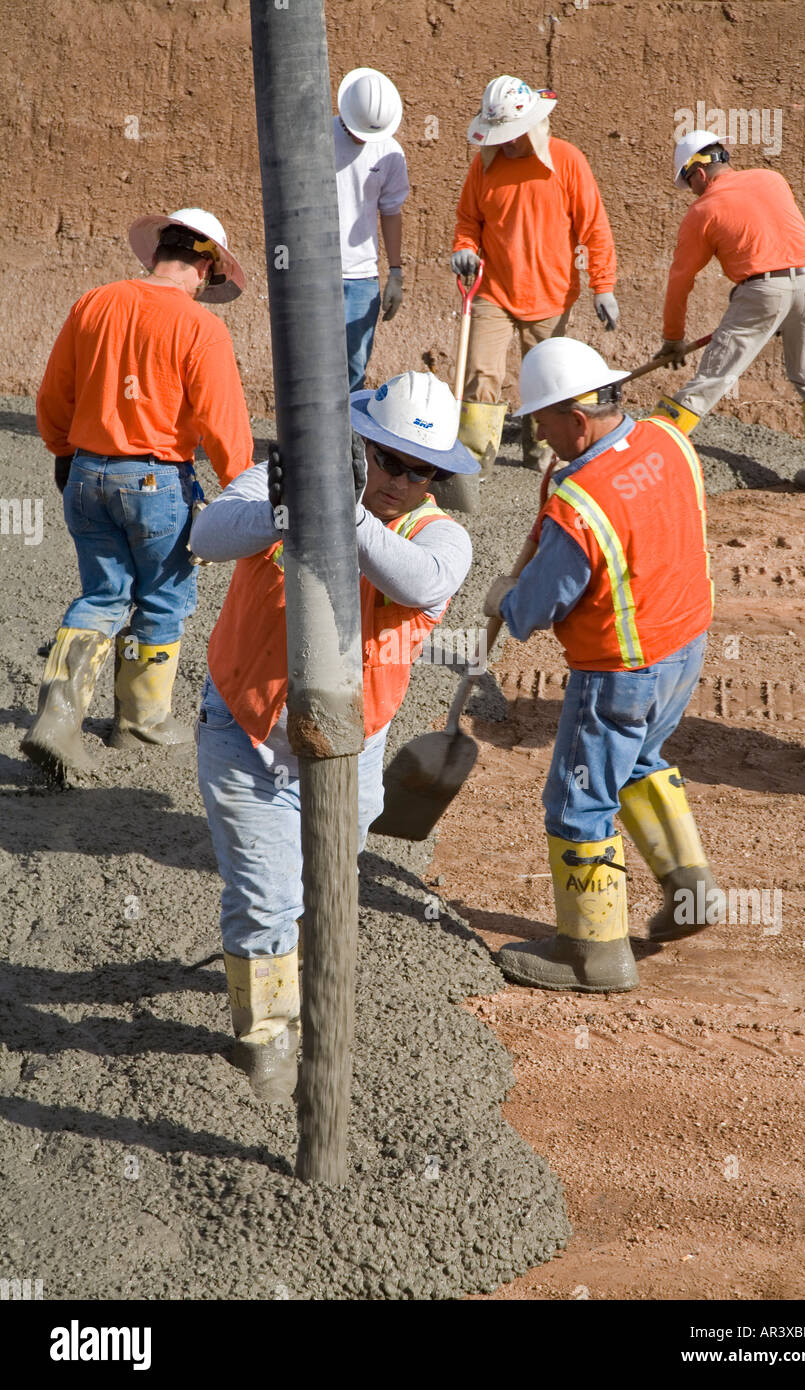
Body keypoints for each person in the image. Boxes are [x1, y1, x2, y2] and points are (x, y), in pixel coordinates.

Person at [191, 371, 476, 1103]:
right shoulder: (276, 482)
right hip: (246, 730)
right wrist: (290, 510)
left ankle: (294, 979)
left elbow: (419, 581)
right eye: (386, 459)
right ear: (360, 444)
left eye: (422, 471)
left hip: (351, 746)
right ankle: (268, 1039)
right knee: (266, 897)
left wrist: (343, 516)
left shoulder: (439, 536)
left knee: (325, 886)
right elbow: (208, 533)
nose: (401, 480)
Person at [483, 338, 717, 994]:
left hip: (619, 669)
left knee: (578, 802)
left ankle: (594, 955)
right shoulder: (670, 440)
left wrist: (503, 595)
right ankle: (691, 890)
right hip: (684, 646)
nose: (538, 432)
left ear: (578, 421)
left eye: (543, 421)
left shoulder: (582, 504)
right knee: (642, 760)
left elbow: (535, 608)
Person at [24, 207, 254, 782]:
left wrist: (63, 451)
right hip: (156, 481)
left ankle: (59, 717)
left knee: (102, 595)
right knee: (163, 599)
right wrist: (242, 492)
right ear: (204, 266)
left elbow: (55, 396)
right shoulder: (201, 327)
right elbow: (224, 425)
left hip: (86, 473)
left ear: (157, 254)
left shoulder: (94, 302)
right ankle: (141, 720)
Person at [654, 130, 805, 497]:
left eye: (689, 182)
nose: (692, 191)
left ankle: (642, 460)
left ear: (700, 172)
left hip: (762, 291)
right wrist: (781, 308)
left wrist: (673, 338)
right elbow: (772, 233)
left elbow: (680, 281)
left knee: (714, 378)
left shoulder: (702, 211)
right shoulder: (772, 179)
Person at [451, 75, 618, 472]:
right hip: (492, 290)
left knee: (546, 378)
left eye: (511, 132)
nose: (506, 141)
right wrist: (463, 250)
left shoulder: (566, 160)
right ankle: (474, 459)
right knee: (480, 371)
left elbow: (595, 228)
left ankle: (542, 452)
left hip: (551, 295)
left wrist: (603, 285)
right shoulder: (485, 164)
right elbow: (468, 221)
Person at [335, 67, 410, 390]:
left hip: (361, 277)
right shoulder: (318, 139)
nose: (362, 139)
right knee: (310, 363)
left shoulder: (390, 152)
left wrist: (395, 273)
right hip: (314, 274)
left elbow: (391, 212)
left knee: (354, 367)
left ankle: (348, 437)